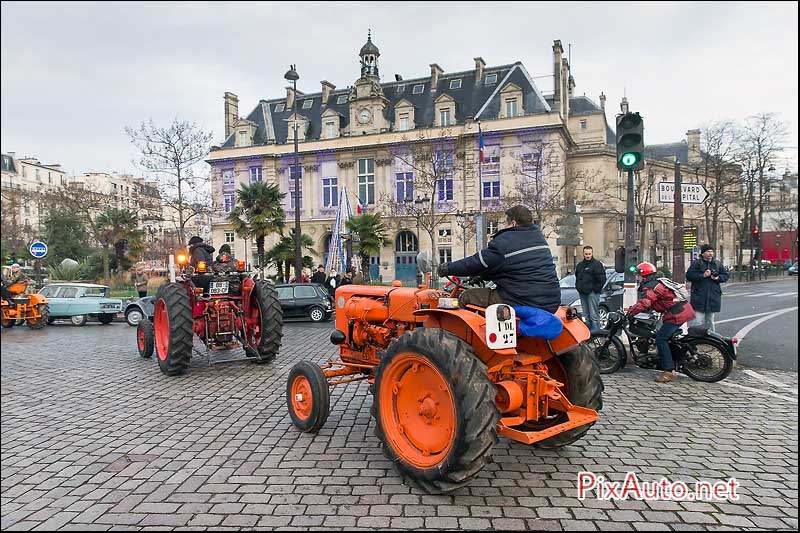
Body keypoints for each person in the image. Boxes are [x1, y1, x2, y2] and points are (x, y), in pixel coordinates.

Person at [436, 205, 560, 313]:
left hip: (522, 299)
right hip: (551, 301)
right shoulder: (539, 239)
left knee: (466, 296)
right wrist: (484, 276)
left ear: (513, 223)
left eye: (505, 223)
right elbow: (517, 267)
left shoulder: (506, 241)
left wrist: (448, 268)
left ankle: (470, 337)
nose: (504, 226)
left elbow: (475, 263)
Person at [627, 262, 695, 383]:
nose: (637, 278)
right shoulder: (657, 282)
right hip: (681, 310)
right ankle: (671, 359)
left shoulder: (651, 286)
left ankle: (669, 371)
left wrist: (630, 312)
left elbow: (645, 302)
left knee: (660, 339)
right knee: (663, 335)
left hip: (676, 314)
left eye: (638, 275)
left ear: (644, 275)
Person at [686, 244, 728, 333]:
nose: (710, 253)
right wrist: (703, 275)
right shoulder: (696, 263)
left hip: (713, 296)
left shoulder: (717, 263)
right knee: (697, 320)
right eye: (708, 251)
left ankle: (711, 340)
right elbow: (689, 276)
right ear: (703, 253)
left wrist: (718, 278)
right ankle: (694, 339)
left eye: (712, 251)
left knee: (710, 321)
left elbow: (725, 275)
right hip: (699, 296)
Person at [574, 245, 606, 330]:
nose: (588, 255)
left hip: (592, 293)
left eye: (589, 254)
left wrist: (595, 290)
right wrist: (578, 287)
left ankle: (596, 337)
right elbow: (577, 277)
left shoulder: (597, 264)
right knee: (586, 317)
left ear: (592, 253)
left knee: (593, 316)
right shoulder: (580, 265)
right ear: (583, 254)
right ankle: (589, 336)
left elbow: (602, 279)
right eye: (586, 254)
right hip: (582, 293)